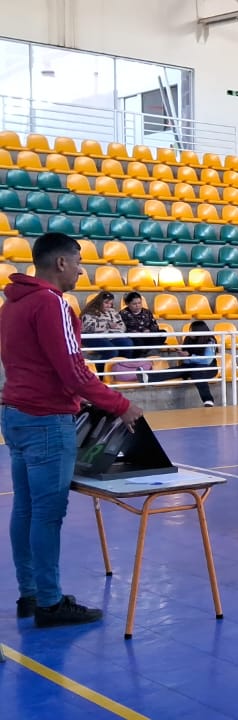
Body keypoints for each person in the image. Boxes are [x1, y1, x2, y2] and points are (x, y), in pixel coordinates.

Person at [2, 232, 145, 628]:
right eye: (79, 262)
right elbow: (74, 368)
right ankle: (49, 602)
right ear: (61, 263)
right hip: (47, 421)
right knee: (48, 514)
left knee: (25, 509)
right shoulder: (52, 304)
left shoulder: (12, 304)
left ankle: (29, 593)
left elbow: (33, 363)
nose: (83, 270)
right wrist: (120, 405)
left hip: (16, 414)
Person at [165, 320, 219, 407]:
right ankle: (148, 376)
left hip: (208, 368)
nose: (190, 332)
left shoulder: (210, 340)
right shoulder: (187, 339)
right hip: (191, 366)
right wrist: (184, 355)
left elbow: (207, 361)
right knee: (174, 370)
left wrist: (190, 356)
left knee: (197, 373)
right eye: (191, 330)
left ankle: (208, 400)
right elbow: (186, 361)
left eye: (193, 330)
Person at [79, 291, 134, 373]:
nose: (109, 305)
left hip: (111, 336)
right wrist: (108, 325)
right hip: (93, 337)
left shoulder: (112, 312)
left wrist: (112, 330)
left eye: (110, 303)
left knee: (128, 344)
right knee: (112, 351)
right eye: (106, 303)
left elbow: (121, 326)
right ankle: (99, 372)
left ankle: (122, 370)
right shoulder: (89, 312)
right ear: (100, 302)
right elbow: (88, 327)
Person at [119, 291, 161, 357]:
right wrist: (140, 332)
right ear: (128, 304)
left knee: (162, 333)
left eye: (139, 303)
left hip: (148, 335)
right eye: (134, 304)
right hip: (135, 337)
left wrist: (149, 330)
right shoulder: (123, 313)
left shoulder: (147, 312)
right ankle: (145, 352)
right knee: (136, 340)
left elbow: (154, 325)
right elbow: (123, 328)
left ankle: (148, 350)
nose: (137, 305)